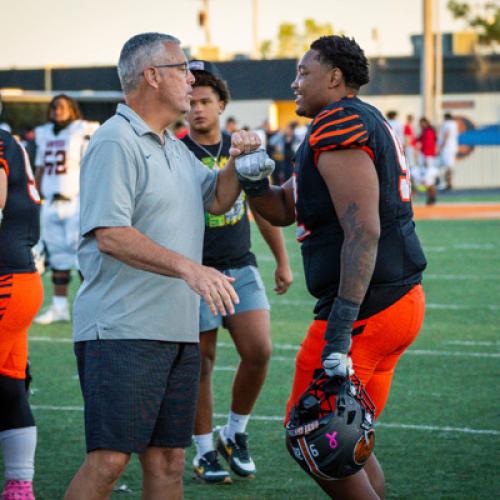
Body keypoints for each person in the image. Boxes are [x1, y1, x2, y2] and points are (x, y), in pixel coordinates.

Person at [64, 33, 264, 500]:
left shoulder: (173, 146)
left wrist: (235, 160)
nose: (191, 78)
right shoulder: (115, 140)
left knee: (170, 461)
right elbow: (110, 234)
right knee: (109, 461)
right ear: (151, 76)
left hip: (175, 329)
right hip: (121, 328)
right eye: (182, 68)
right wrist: (189, 269)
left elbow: (216, 197)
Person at [242, 35, 427, 499]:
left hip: (367, 310)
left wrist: (340, 330)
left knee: (312, 438)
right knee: (348, 447)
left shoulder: (338, 123)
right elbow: (285, 206)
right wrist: (251, 178)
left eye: (304, 72)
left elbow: (363, 230)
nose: (295, 82)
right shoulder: (348, 120)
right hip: (394, 303)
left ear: (335, 77)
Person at [182, 60, 293, 484]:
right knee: (201, 363)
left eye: (205, 101)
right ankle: (205, 449)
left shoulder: (243, 148)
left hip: (239, 262)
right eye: (190, 102)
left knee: (259, 350)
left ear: (222, 104)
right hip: (196, 269)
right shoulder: (176, 150)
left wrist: (281, 260)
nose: (197, 109)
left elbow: (263, 207)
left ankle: (235, 434)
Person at [0, 128, 43, 500]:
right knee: (8, 388)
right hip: (17, 276)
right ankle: (19, 485)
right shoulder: (8, 139)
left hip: (5, 280)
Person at [33, 95, 99, 324]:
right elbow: (40, 168)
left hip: (75, 201)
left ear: (72, 109)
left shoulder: (82, 130)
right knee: (58, 257)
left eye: (61, 106)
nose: (56, 110)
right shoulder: (44, 134)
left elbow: (92, 164)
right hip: (50, 202)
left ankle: (93, 307)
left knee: (83, 256)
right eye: (53, 107)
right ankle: (60, 307)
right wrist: (36, 195)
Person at [417, 117, 438, 205]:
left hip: (428, 157)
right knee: (428, 180)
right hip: (426, 156)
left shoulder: (428, 132)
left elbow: (428, 145)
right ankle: (430, 198)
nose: (421, 125)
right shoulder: (425, 132)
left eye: (422, 123)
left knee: (429, 179)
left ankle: (432, 197)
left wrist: (426, 158)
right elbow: (417, 139)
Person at [437, 112, 459, 190]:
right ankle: (449, 183)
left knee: (446, 166)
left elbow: (447, 133)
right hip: (452, 147)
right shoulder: (454, 124)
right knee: (449, 166)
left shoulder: (447, 124)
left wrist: (442, 145)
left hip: (447, 148)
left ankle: (447, 183)